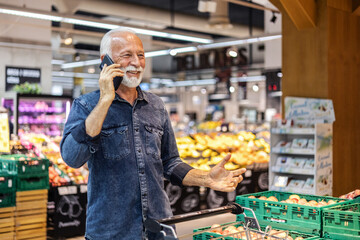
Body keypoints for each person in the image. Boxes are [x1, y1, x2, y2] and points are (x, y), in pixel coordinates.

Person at [60, 27, 246, 240]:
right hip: (111, 232)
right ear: (106, 61)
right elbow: (72, 158)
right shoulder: (86, 106)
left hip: (160, 227)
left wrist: (206, 178)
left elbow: (170, 163)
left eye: (141, 55)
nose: (137, 63)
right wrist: (105, 100)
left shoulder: (155, 105)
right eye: (127, 55)